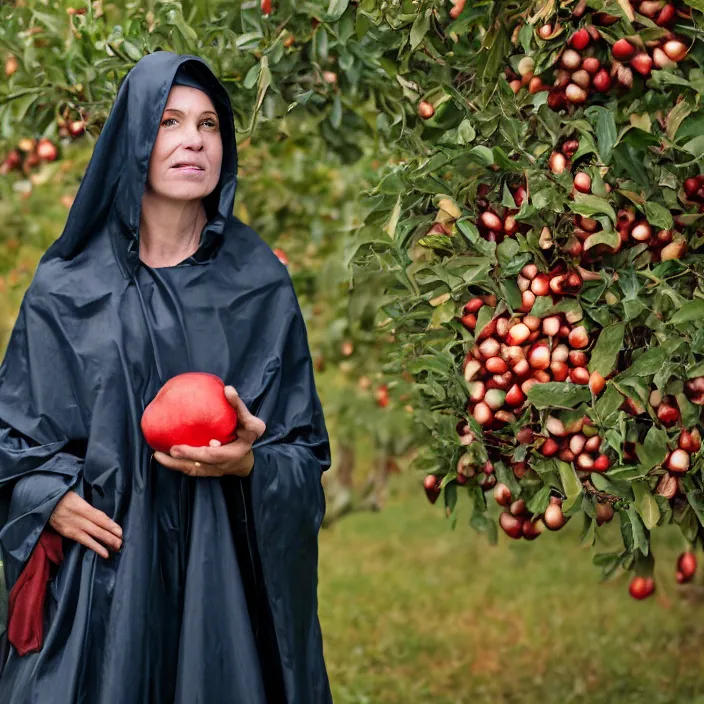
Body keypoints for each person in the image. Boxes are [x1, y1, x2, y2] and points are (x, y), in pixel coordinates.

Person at [0, 51, 332, 703]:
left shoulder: (258, 283)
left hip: (223, 583)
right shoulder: (67, 288)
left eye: (209, 125)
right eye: (170, 121)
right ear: (134, 141)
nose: (192, 140)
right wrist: (46, 499)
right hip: (99, 589)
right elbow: (12, 440)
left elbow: (302, 449)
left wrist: (251, 462)